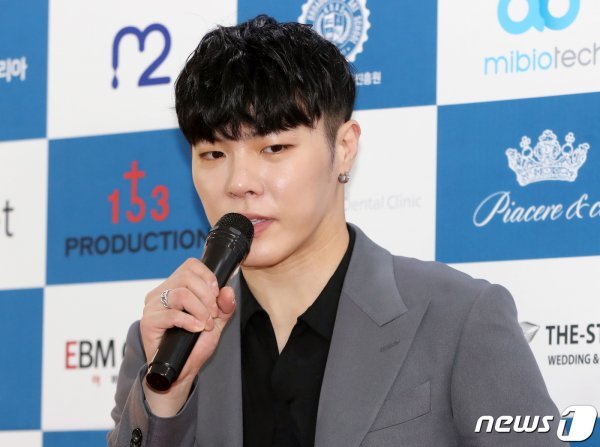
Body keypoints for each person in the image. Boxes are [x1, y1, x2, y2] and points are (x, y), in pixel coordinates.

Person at [108, 15, 565, 447]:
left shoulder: (459, 318)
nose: (239, 183)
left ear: (344, 148)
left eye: (274, 148)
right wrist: (167, 396)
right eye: (213, 154)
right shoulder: (164, 343)